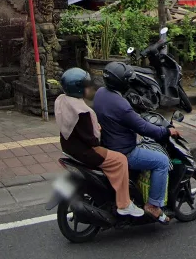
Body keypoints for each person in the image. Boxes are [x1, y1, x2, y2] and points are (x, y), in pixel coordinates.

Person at [94, 61, 179, 222]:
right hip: (125, 151)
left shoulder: (100, 93)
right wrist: (166, 131)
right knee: (161, 161)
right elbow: (144, 128)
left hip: (107, 144)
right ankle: (153, 205)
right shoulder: (122, 106)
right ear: (122, 82)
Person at [54, 68, 145, 218]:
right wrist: (98, 128)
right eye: (86, 85)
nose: (90, 88)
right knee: (120, 160)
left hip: (70, 147)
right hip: (85, 151)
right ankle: (124, 204)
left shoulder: (62, 100)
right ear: (79, 88)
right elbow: (93, 140)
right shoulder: (82, 112)